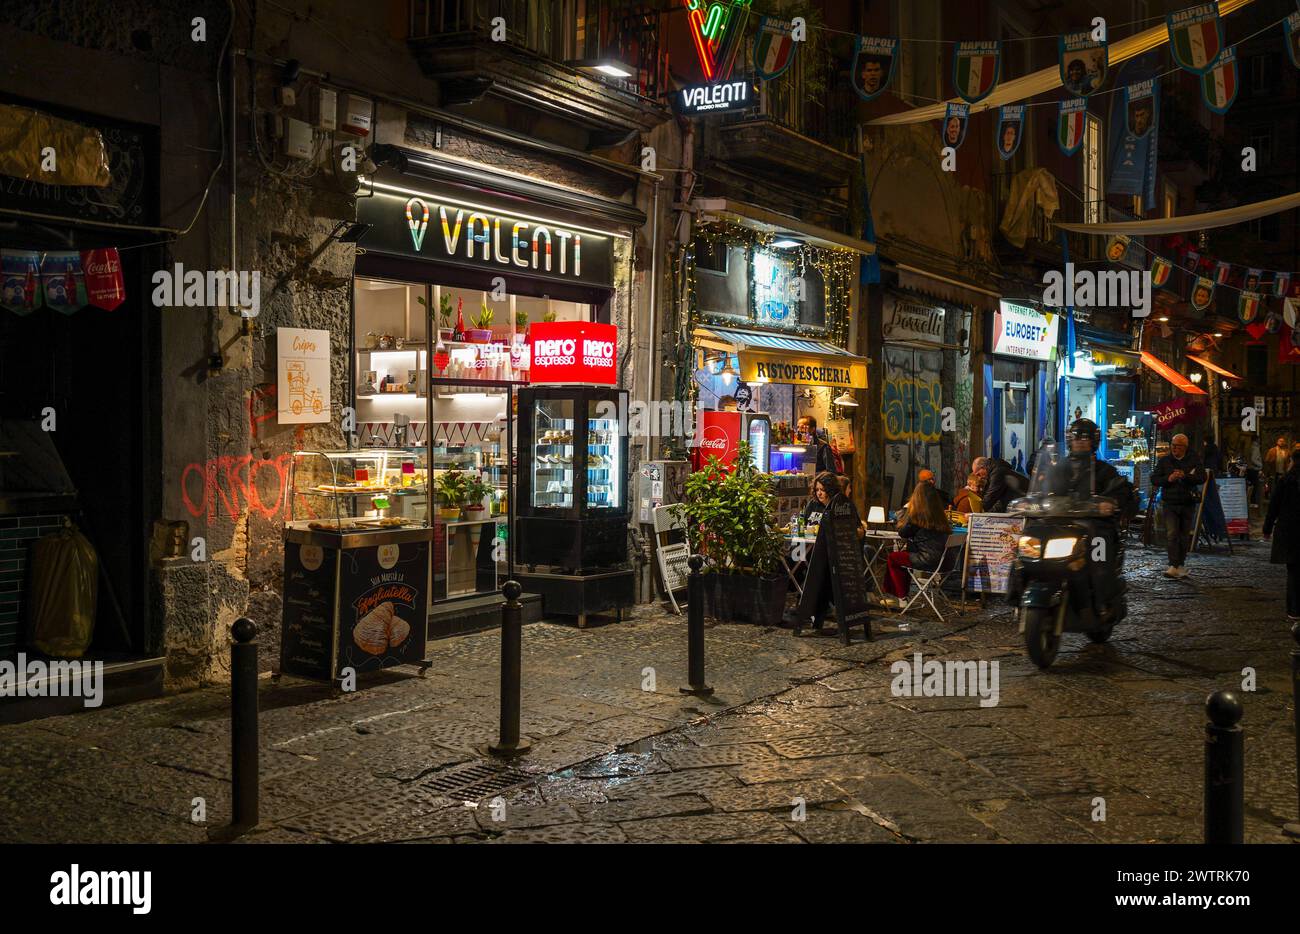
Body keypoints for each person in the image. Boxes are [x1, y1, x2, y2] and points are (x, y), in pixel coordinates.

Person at [783, 473, 863, 630]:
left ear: (831, 489)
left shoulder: (841, 506)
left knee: (817, 568)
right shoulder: (813, 505)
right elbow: (803, 524)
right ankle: (802, 603)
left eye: (822, 489)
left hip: (829, 552)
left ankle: (811, 609)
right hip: (805, 547)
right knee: (791, 559)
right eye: (817, 489)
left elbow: (859, 530)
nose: (819, 493)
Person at [880, 483, 951, 608]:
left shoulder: (918, 515)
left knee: (893, 557)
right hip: (946, 562)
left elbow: (903, 533)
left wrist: (908, 513)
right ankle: (898, 595)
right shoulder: (940, 515)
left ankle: (901, 597)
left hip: (928, 560)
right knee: (904, 556)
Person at [1151, 432, 1206, 578]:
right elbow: (1154, 479)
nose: (1174, 448)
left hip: (1187, 503)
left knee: (1183, 535)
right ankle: (1173, 564)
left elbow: (1202, 477)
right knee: (1172, 534)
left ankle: (1180, 563)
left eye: (1178, 446)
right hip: (1170, 503)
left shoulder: (1194, 460)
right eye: (1173, 445)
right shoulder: (1165, 461)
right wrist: (1168, 478)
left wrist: (1185, 476)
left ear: (1185, 447)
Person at [1264, 443, 1300, 622]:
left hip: (1289, 530)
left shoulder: (1285, 481)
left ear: (1292, 461)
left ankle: (1294, 609)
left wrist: (1267, 529)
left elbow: (1274, 507)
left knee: (1293, 570)